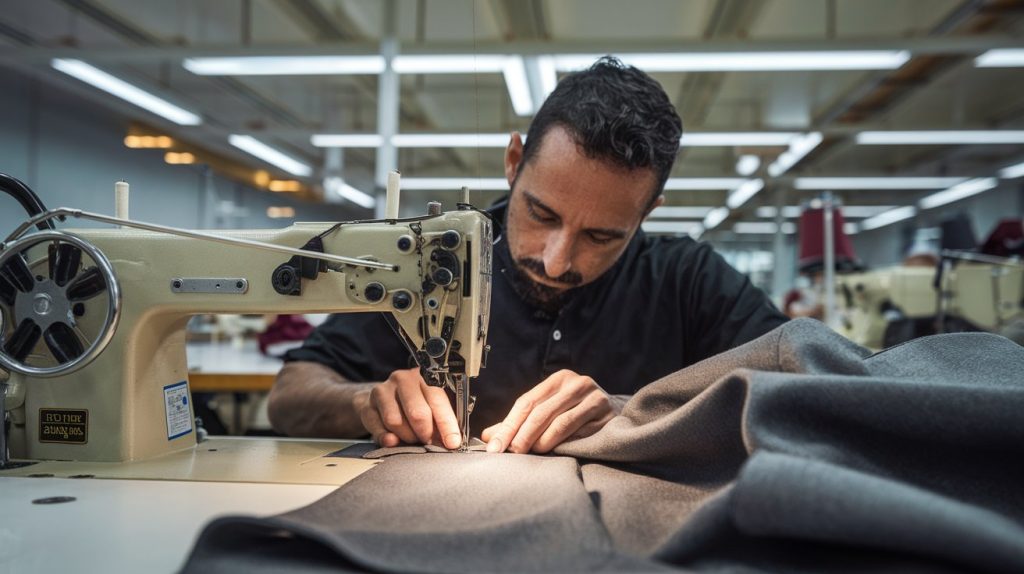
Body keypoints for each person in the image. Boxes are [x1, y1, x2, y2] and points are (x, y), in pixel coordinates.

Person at [268, 57, 787, 454]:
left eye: (601, 236)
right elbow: (290, 395)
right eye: (541, 214)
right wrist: (363, 403)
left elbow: (812, 389)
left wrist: (633, 412)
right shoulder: (430, 260)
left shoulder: (688, 280)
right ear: (514, 162)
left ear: (648, 210)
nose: (557, 262)